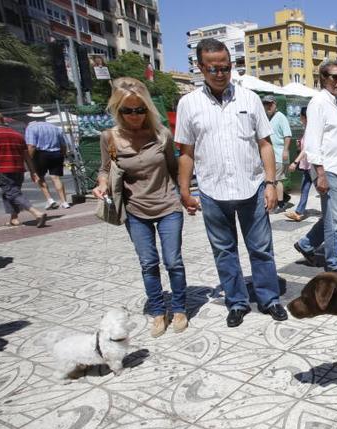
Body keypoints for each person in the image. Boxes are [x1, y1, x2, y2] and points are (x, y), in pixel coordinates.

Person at [175, 38, 288, 327]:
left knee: (262, 249)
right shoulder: (189, 104)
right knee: (224, 252)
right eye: (213, 68)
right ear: (200, 67)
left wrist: (271, 183)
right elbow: (186, 152)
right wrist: (185, 190)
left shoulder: (249, 99)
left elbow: (265, 144)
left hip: (251, 188)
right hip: (212, 192)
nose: (220, 73)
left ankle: (269, 298)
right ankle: (236, 302)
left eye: (225, 67)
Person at [93, 77, 188, 337]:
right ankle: (158, 312)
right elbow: (105, 169)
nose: (134, 115)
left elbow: (172, 166)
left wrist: (183, 194)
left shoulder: (162, 135)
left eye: (140, 109)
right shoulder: (110, 138)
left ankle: (179, 308)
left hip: (167, 204)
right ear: (118, 109)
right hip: (135, 209)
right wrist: (102, 184)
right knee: (148, 263)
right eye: (128, 110)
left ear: (147, 108)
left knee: (173, 262)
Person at [293, 60, 337, 272]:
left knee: (336, 217)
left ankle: (306, 244)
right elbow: (312, 140)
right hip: (327, 169)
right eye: (334, 77)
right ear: (323, 78)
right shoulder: (319, 102)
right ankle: (335, 265)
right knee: (334, 222)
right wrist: (320, 173)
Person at [0, 111, 47, 227]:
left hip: (4, 169)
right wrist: (33, 172)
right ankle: (14, 218)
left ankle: (36, 213)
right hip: (19, 169)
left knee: (12, 193)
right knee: (9, 193)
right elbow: (26, 156)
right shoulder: (17, 134)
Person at [25, 105, 70, 209]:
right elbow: (63, 144)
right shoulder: (55, 128)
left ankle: (50, 199)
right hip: (56, 153)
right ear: (44, 116)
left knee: (39, 176)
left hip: (40, 154)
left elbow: (31, 145)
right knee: (56, 177)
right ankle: (64, 201)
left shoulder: (31, 128)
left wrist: (29, 159)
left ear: (32, 117)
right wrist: (62, 154)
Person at [262, 95, 293, 213]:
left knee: (277, 179)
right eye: (265, 104)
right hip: (271, 155)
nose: (268, 106)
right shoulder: (267, 118)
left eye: (270, 103)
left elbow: (288, 135)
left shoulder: (281, 117)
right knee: (270, 178)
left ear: (275, 104)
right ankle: (283, 197)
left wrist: (285, 150)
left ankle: (280, 204)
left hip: (280, 154)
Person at [286, 107, 312, 222]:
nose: (300, 119)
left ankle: (331, 210)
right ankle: (299, 212)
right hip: (308, 165)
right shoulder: (307, 128)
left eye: (300, 117)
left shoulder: (311, 129)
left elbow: (306, 148)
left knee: (323, 190)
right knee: (305, 188)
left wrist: (295, 162)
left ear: (304, 117)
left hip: (313, 166)